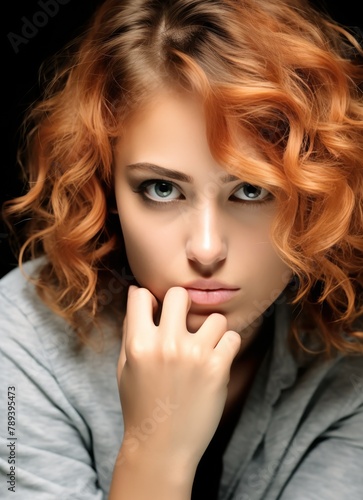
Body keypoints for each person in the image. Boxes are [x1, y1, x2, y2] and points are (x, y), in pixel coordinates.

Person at [1, 0, 363, 498]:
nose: (208, 249)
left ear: (313, 194)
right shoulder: (19, 344)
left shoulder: (350, 354)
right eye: (163, 189)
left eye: (252, 191)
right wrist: (156, 455)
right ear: (104, 187)